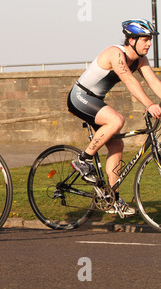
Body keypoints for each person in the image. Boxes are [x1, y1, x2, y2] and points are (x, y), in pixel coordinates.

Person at [68, 19, 161, 217]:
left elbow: (153, 82)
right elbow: (129, 80)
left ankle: (112, 198)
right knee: (116, 120)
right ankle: (83, 159)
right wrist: (150, 105)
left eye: (150, 39)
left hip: (95, 102)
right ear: (132, 39)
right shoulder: (115, 53)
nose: (149, 44)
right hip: (79, 97)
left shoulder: (140, 59)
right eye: (145, 39)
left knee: (117, 146)